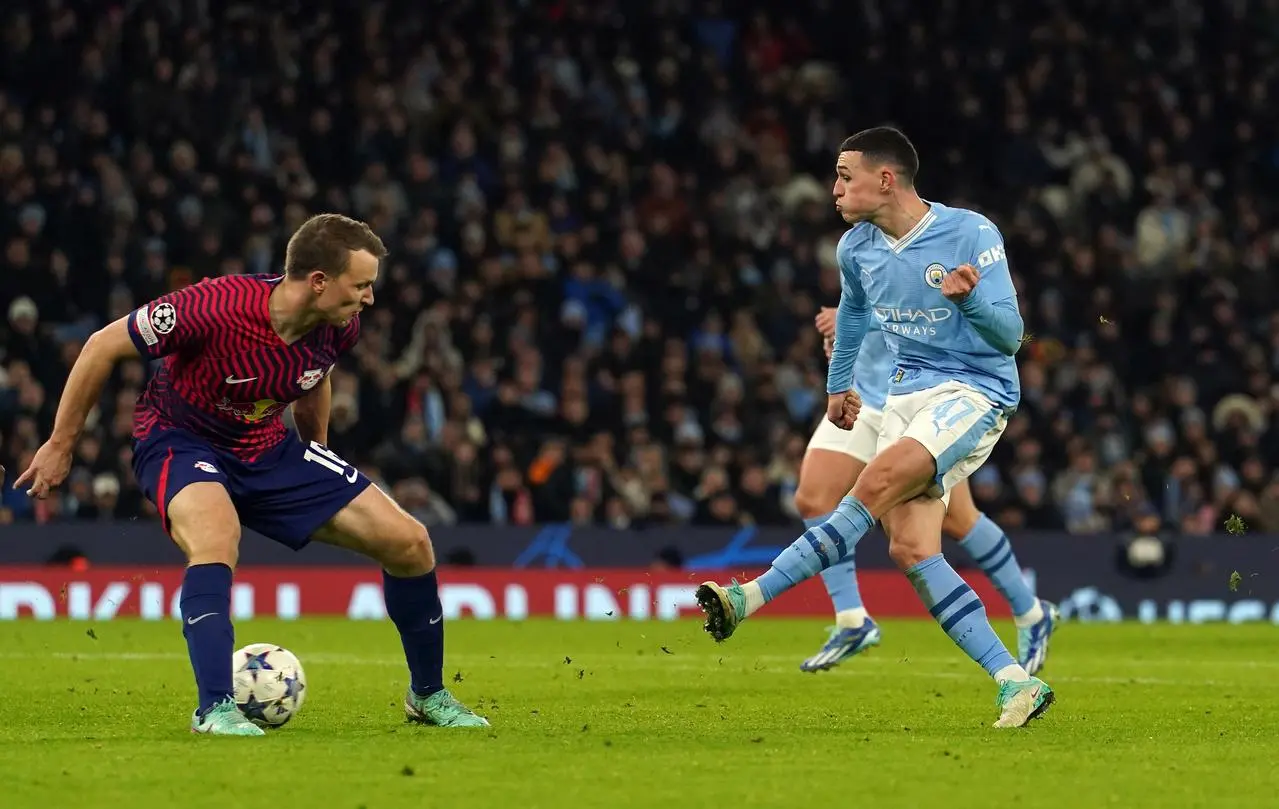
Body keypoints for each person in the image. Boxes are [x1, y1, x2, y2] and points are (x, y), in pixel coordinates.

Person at [13, 213, 488, 735]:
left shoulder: (340, 324)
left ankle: (428, 695)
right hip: (179, 438)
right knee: (218, 537)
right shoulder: (212, 307)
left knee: (411, 542)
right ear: (318, 282)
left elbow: (315, 375)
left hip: (267, 448)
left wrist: (318, 453)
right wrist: (61, 444)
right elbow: (102, 346)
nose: (369, 299)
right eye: (362, 285)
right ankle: (215, 708)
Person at [694, 127, 1054, 728]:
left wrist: (968, 301)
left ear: (884, 180)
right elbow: (855, 314)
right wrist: (838, 386)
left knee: (872, 484)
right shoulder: (855, 247)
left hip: (973, 391)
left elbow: (1010, 337)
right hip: (903, 396)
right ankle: (1014, 682)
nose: (834, 189)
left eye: (844, 175)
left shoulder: (970, 232)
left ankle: (748, 596)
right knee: (912, 548)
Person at [796, 308, 1058, 674]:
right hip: (866, 395)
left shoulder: (936, 250)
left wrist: (852, 318)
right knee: (813, 497)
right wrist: (843, 338)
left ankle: (1031, 612)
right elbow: (861, 292)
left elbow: (926, 308)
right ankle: (852, 620)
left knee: (958, 520)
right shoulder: (854, 247)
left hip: (920, 400)